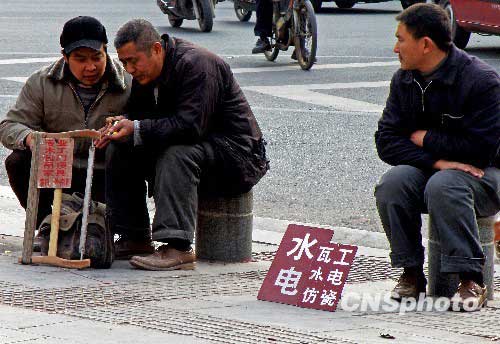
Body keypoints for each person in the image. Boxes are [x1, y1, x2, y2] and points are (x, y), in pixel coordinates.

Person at [96, 19, 269, 269]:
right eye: (124, 63)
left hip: (237, 155)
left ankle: (177, 246)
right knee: (121, 146)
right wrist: (122, 123)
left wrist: (137, 127)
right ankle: (134, 236)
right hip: (200, 146)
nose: (130, 69)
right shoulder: (146, 75)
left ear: (156, 49)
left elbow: (190, 127)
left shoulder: (197, 65)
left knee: (177, 153)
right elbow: (140, 117)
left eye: (134, 61)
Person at [374, 4, 500, 311]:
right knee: (393, 183)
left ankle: (472, 279)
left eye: (401, 40)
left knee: (444, 186)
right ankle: (411, 273)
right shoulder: (404, 80)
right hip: (435, 170)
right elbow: (386, 142)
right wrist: (436, 160)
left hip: (487, 174)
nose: (395, 48)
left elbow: (480, 149)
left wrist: (425, 138)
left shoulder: (481, 81)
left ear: (426, 44)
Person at [0, 16, 131, 236]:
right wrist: (32, 138)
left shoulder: (128, 82)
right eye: (80, 59)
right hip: (57, 171)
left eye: (97, 57)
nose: (90, 67)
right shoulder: (41, 82)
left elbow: (149, 121)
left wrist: (124, 126)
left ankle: (130, 232)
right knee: (17, 161)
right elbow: (9, 125)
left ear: (106, 50)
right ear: (65, 57)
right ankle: (44, 225)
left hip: (105, 174)